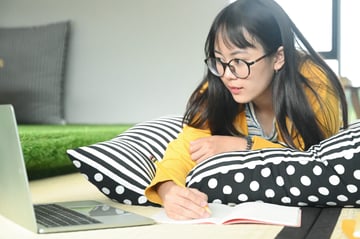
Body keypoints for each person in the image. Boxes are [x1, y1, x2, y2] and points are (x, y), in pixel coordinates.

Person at [144, 0, 348, 220]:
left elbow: (310, 161)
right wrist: (168, 191)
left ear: (278, 57)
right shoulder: (218, 85)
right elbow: (187, 146)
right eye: (219, 60)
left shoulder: (314, 84)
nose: (227, 74)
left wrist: (244, 146)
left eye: (239, 60)